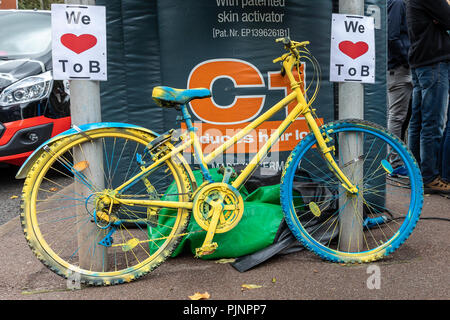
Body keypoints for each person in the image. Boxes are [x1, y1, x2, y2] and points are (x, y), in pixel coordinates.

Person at [405, 0, 450, 194]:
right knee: (432, 122)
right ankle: (430, 177)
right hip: (434, 63)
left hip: (420, 62)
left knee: (418, 122)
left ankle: (416, 174)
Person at [387, 0, 412, 177]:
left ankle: (398, 161)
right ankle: (394, 164)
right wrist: (409, 60)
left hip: (402, 67)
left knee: (403, 117)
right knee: (397, 117)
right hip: (400, 68)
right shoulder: (397, 2)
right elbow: (392, 36)